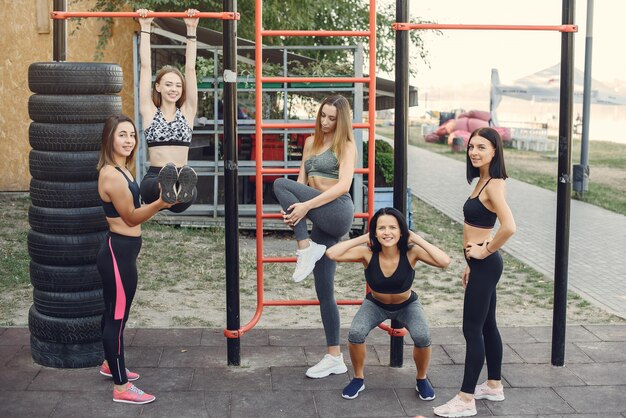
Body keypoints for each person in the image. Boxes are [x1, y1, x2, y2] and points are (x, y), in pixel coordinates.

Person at [326, 207, 451, 400]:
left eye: (393, 227)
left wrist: (415, 238)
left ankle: (421, 379)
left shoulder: (411, 253)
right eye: (381, 228)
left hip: (407, 305)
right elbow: (332, 253)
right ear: (375, 232)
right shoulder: (367, 253)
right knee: (356, 333)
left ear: (401, 231)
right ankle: (358, 379)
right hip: (375, 304)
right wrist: (363, 237)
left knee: (422, 336)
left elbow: (444, 261)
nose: (387, 232)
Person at [434, 127, 516, 417]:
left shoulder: (493, 184)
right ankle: (494, 385)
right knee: (487, 325)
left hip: (487, 262)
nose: (474, 151)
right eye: (471, 146)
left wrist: (484, 251)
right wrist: (471, 262)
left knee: (472, 329)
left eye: (482, 147)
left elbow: (509, 227)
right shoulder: (483, 180)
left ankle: (466, 399)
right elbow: (474, 228)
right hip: (479, 265)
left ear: (495, 151)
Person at [272, 94, 356, 378]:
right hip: (319, 217)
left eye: (333, 118)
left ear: (341, 120)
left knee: (277, 183)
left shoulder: (345, 146)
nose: (326, 122)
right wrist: (293, 212)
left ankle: (304, 247)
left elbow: (344, 185)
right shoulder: (311, 142)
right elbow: (300, 184)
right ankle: (335, 356)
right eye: (323, 116)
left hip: (338, 212)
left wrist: (305, 206)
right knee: (324, 290)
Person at [96, 115, 173, 404]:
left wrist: (159, 201)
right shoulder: (111, 175)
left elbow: (134, 209)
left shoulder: (123, 170)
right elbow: (130, 217)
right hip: (118, 253)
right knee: (116, 318)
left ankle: (109, 364)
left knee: (116, 313)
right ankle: (121, 388)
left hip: (124, 251)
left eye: (132, 135)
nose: (129, 140)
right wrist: (160, 205)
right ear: (109, 139)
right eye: (122, 135)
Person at [137, 8, 199, 211]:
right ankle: (166, 187)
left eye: (178, 85)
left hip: (184, 176)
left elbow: (190, 69)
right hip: (155, 176)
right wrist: (145, 27)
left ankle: (179, 188)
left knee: (187, 185)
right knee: (151, 185)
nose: (174, 89)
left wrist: (191, 29)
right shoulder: (149, 111)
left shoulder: (187, 111)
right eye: (169, 84)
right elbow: (145, 67)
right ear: (158, 87)